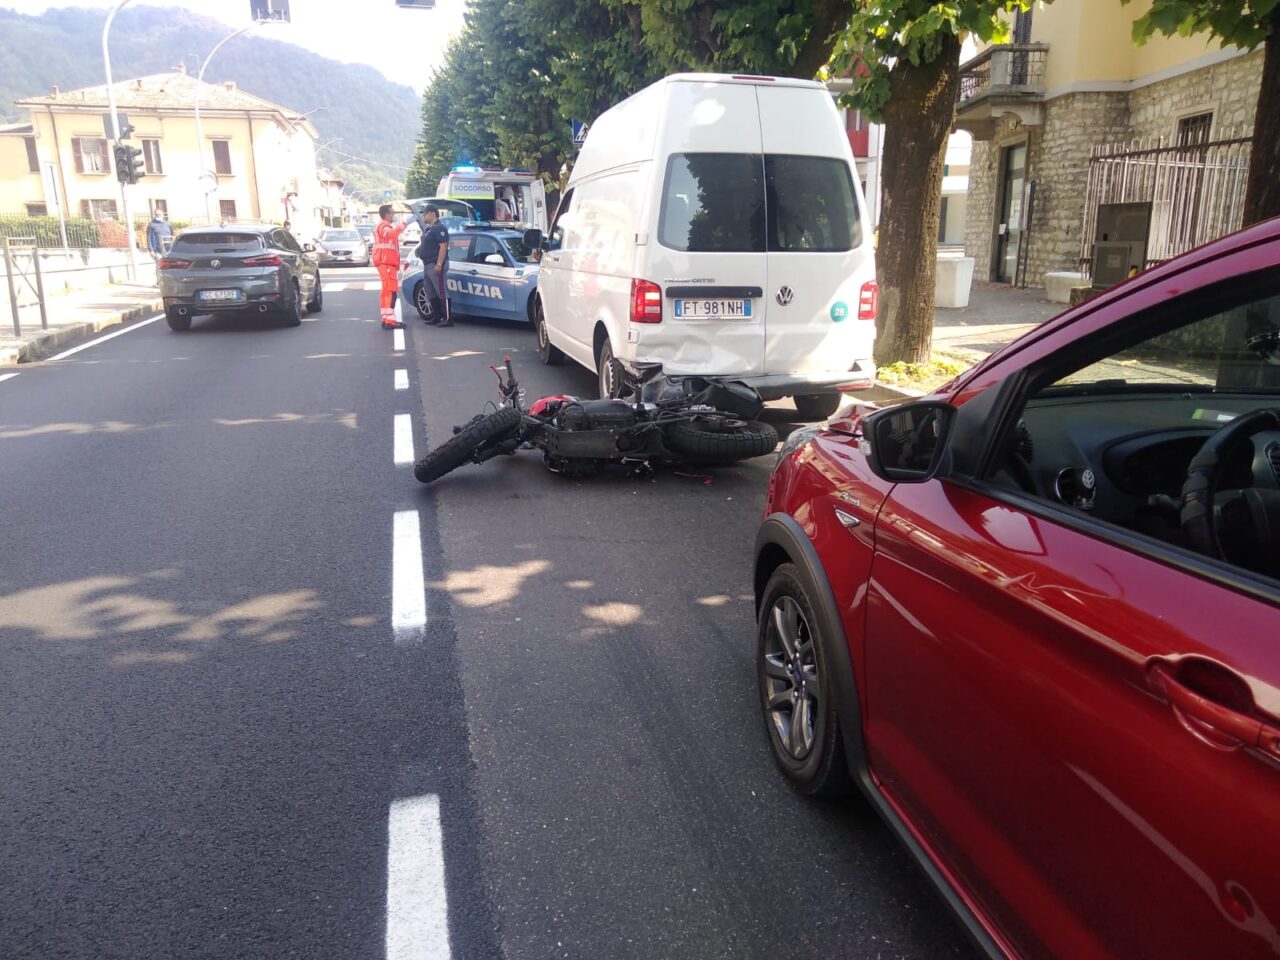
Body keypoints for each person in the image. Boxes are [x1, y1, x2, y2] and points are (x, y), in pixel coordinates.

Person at [372, 203, 410, 329]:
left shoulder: (384, 226)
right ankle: (389, 321)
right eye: (392, 213)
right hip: (386, 262)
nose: (393, 215)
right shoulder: (384, 226)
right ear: (386, 215)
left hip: (387, 263)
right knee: (389, 291)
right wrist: (405, 224)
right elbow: (391, 234)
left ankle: (387, 318)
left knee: (387, 291)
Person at [417, 204, 452, 327]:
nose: (424, 216)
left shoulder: (439, 228)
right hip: (427, 264)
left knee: (441, 291)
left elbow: (443, 247)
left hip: (435, 264)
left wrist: (439, 264)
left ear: (432, 213)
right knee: (429, 290)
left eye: (425, 213)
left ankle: (447, 318)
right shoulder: (428, 229)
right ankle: (437, 317)